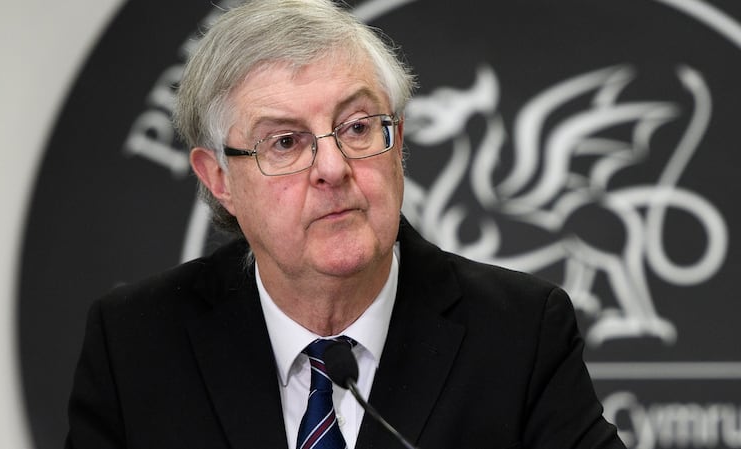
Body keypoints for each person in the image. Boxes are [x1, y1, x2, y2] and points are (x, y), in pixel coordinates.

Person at [65, 0, 627, 448]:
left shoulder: (519, 335)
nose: (332, 168)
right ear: (219, 179)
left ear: (398, 143)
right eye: (284, 142)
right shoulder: (136, 345)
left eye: (357, 127)